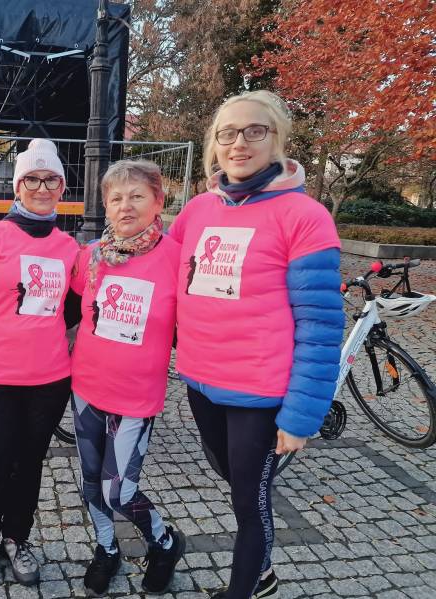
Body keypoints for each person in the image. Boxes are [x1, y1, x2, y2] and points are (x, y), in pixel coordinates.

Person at [168, 90, 343, 599]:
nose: (239, 143)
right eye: (228, 133)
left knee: (249, 499)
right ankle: (260, 573)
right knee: (232, 475)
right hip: (201, 381)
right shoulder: (198, 209)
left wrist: (301, 415)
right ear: (214, 144)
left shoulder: (304, 216)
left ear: (277, 140)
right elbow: (158, 274)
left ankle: (247, 586)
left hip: (261, 392)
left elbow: (320, 325)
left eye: (254, 131)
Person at [0, 138, 80, 586]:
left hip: (49, 377)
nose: (42, 188)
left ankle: (17, 538)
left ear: (62, 188)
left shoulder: (69, 247)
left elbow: (73, 312)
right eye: (32, 180)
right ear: (18, 186)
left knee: (29, 464)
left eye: (51, 180)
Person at [69, 160, 185, 596]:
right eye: (116, 198)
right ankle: (107, 548)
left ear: (158, 202)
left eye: (137, 196)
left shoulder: (177, 258)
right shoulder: (92, 256)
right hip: (86, 386)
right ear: (105, 205)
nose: (125, 206)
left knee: (118, 491)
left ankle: (164, 541)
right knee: (91, 480)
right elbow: (69, 309)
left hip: (135, 395)